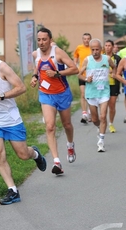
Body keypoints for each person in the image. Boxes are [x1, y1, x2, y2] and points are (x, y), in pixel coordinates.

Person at [0, 32, 47, 205]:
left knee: (23, 154)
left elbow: (21, 87)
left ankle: (35, 153)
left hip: (11, 118)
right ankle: (12, 190)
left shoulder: (3, 67)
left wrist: (0, 95)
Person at [31, 27, 79, 175]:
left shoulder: (58, 52)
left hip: (62, 93)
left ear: (50, 40)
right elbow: (37, 68)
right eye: (38, 40)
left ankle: (70, 145)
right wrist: (34, 77)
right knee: (50, 126)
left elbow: (74, 69)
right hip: (45, 94)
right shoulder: (35, 54)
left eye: (44, 39)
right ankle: (56, 161)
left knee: (67, 124)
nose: (41, 42)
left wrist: (58, 73)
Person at [78, 39, 116, 152]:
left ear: (101, 49)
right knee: (95, 119)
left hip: (104, 92)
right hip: (91, 93)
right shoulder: (87, 60)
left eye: (97, 49)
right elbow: (79, 74)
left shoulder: (107, 59)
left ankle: (101, 141)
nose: (95, 52)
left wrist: (114, 73)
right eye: (93, 49)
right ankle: (99, 127)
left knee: (103, 116)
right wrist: (86, 79)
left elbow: (114, 67)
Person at [73, 33, 92, 124]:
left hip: (91, 75)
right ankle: (84, 113)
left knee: (90, 95)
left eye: (88, 39)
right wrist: (76, 65)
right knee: (83, 94)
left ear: (90, 39)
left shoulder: (93, 48)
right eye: (84, 39)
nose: (86, 40)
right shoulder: (79, 48)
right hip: (82, 74)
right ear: (82, 40)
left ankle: (90, 112)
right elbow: (75, 56)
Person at [104, 39, 121, 133]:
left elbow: (121, 71)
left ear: (113, 46)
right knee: (103, 105)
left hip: (113, 84)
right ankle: (103, 123)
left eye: (109, 45)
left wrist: (115, 72)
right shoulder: (101, 57)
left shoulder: (117, 58)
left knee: (112, 105)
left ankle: (111, 123)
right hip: (103, 84)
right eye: (106, 45)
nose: (107, 47)